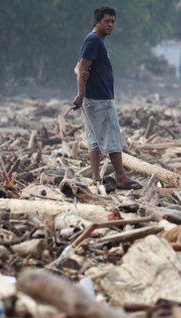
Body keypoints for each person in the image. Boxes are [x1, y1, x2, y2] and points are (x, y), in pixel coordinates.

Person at [72, 6, 141, 191]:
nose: (111, 25)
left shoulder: (94, 40)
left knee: (94, 140)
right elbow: (82, 67)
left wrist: (82, 85)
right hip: (99, 99)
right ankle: (121, 176)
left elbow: (78, 68)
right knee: (112, 137)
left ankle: (96, 179)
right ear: (96, 22)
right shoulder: (94, 40)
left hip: (92, 98)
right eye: (107, 21)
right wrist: (80, 94)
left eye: (113, 21)